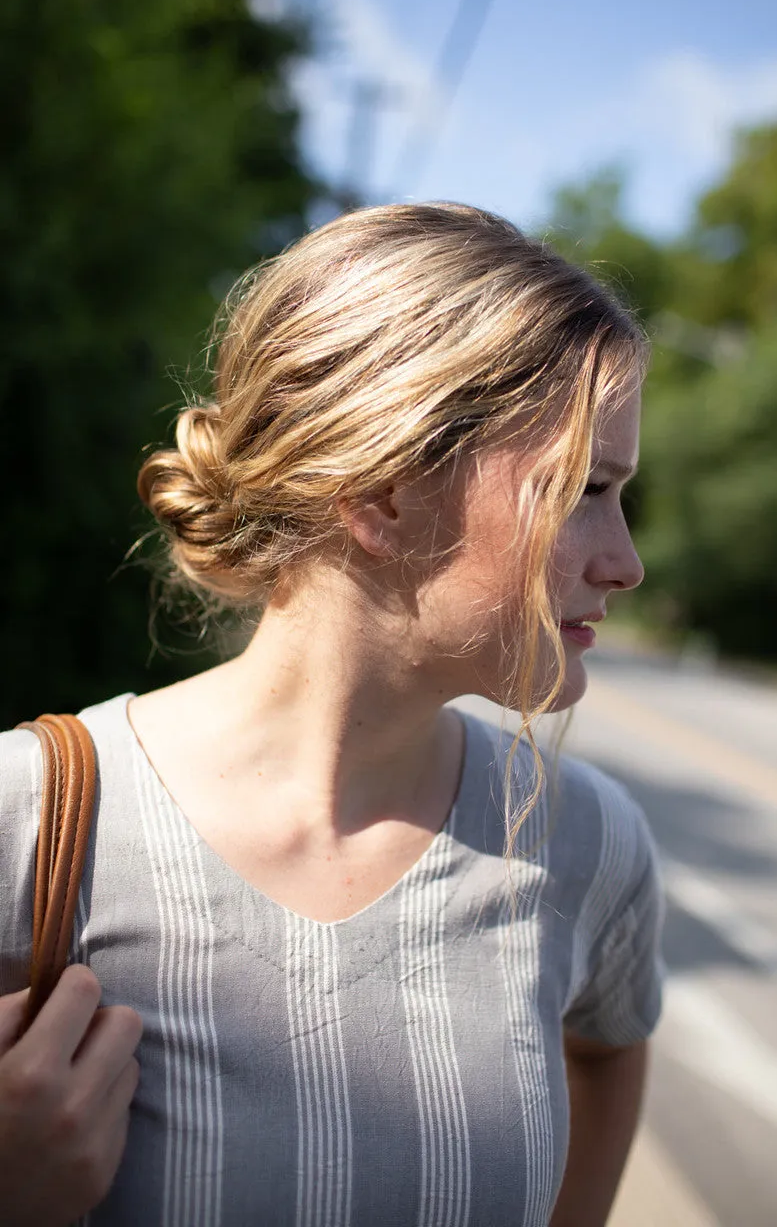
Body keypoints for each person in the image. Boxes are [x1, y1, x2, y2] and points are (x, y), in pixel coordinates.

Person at [0, 202, 665, 1227]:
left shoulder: (588, 845)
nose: (622, 561)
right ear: (383, 492)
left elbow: (609, 1045)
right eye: (582, 488)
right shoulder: (27, 819)